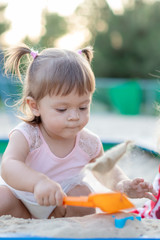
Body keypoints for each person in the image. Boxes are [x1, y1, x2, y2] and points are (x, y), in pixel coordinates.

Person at [0, 44, 156, 219]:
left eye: (83, 107)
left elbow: (105, 170)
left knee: (83, 194)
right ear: (35, 106)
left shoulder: (88, 142)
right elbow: (8, 166)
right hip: (22, 201)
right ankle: (26, 217)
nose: (74, 116)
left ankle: (59, 223)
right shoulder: (27, 135)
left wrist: (122, 184)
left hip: (62, 205)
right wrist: (38, 182)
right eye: (62, 109)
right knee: (2, 197)